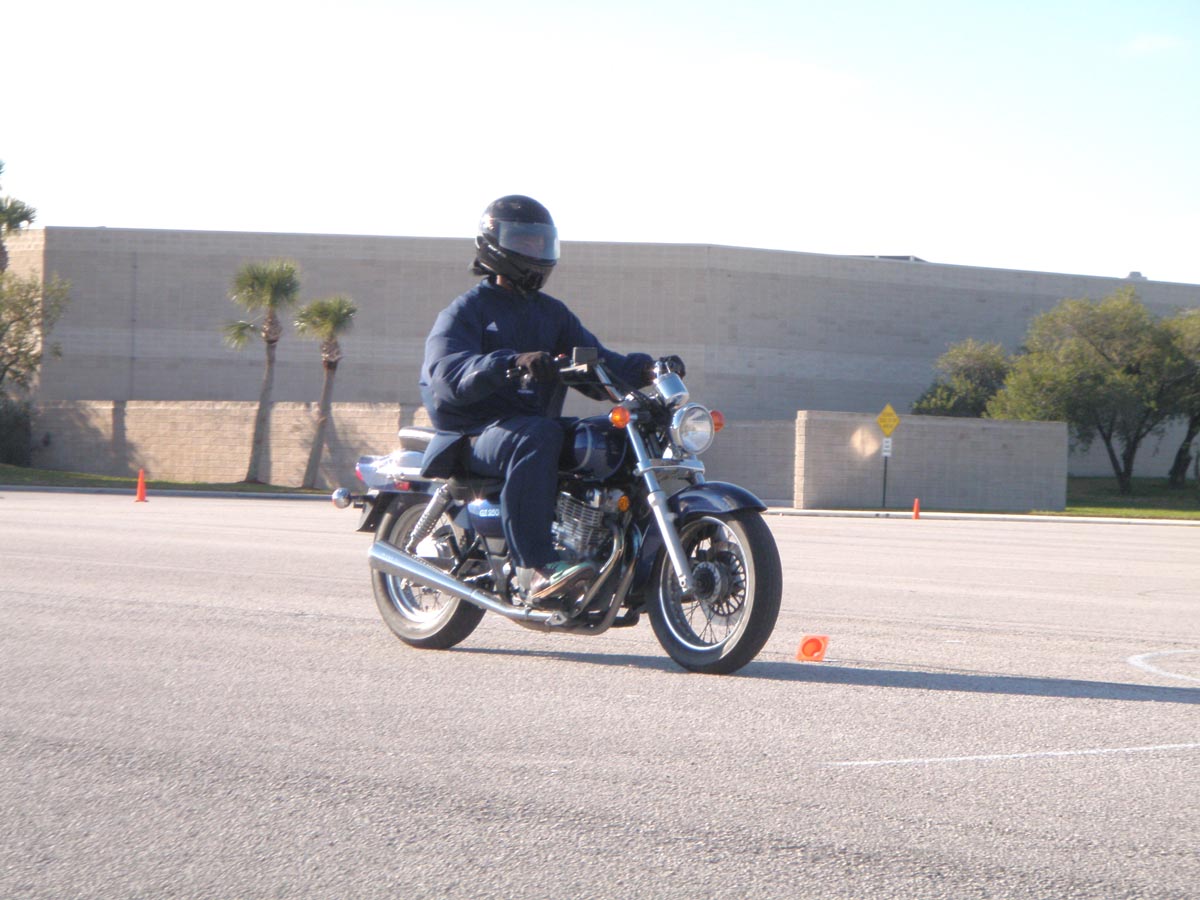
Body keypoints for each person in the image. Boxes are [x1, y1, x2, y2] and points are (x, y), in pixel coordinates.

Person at [418, 195, 654, 603]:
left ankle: (608, 555)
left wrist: (648, 370)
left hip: (527, 427)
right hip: (473, 434)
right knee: (537, 435)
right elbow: (447, 374)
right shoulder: (466, 311)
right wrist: (509, 363)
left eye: (541, 242)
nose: (535, 250)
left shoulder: (552, 314)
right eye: (524, 241)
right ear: (494, 244)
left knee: (607, 436)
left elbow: (599, 364)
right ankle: (537, 568)